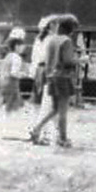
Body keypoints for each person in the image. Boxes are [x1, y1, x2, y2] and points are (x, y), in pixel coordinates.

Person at [30, 14, 80, 148]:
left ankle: (36, 128)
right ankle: (62, 139)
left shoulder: (51, 40)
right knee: (63, 111)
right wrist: (81, 60)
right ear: (71, 28)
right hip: (63, 77)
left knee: (54, 109)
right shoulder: (66, 41)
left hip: (51, 77)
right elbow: (68, 61)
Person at [28, 15, 57, 145]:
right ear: (50, 26)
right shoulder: (52, 40)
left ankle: (36, 130)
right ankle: (39, 132)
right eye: (55, 24)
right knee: (47, 104)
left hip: (38, 71)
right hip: (47, 71)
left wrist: (33, 74)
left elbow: (34, 58)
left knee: (38, 104)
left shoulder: (38, 40)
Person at [0, 29, 25, 115]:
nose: (23, 47)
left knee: (9, 106)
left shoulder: (8, 56)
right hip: (12, 85)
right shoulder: (17, 57)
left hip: (4, 83)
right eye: (22, 45)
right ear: (16, 46)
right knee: (14, 108)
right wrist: (23, 74)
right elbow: (14, 73)